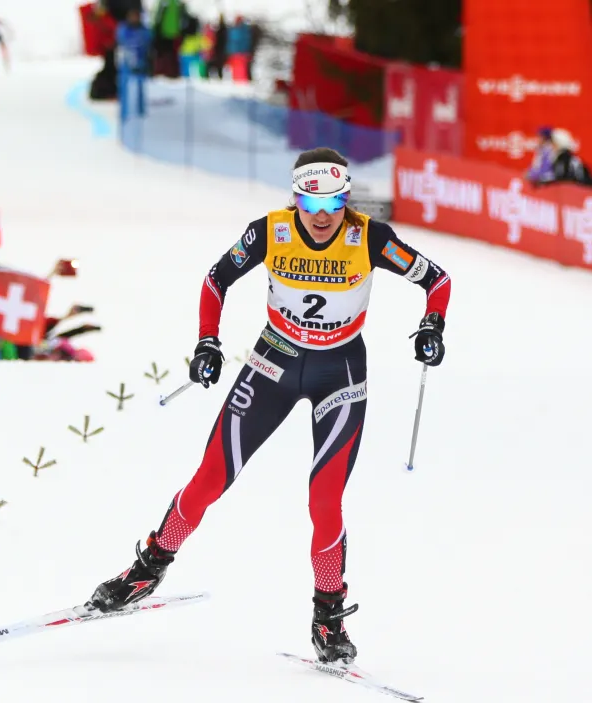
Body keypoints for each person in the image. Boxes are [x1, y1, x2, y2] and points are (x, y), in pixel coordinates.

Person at [86, 147, 452, 665]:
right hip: (271, 364)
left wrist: (432, 326)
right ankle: (148, 568)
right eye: (311, 202)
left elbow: (436, 280)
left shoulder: (368, 237)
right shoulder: (270, 232)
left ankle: (328, 616)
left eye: (333, 202)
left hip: (339, 373)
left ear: (346, 199)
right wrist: (208, 342)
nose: (322, 215)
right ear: (296, 198)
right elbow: (216, 280)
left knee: (324, 503)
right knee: (210, 477)